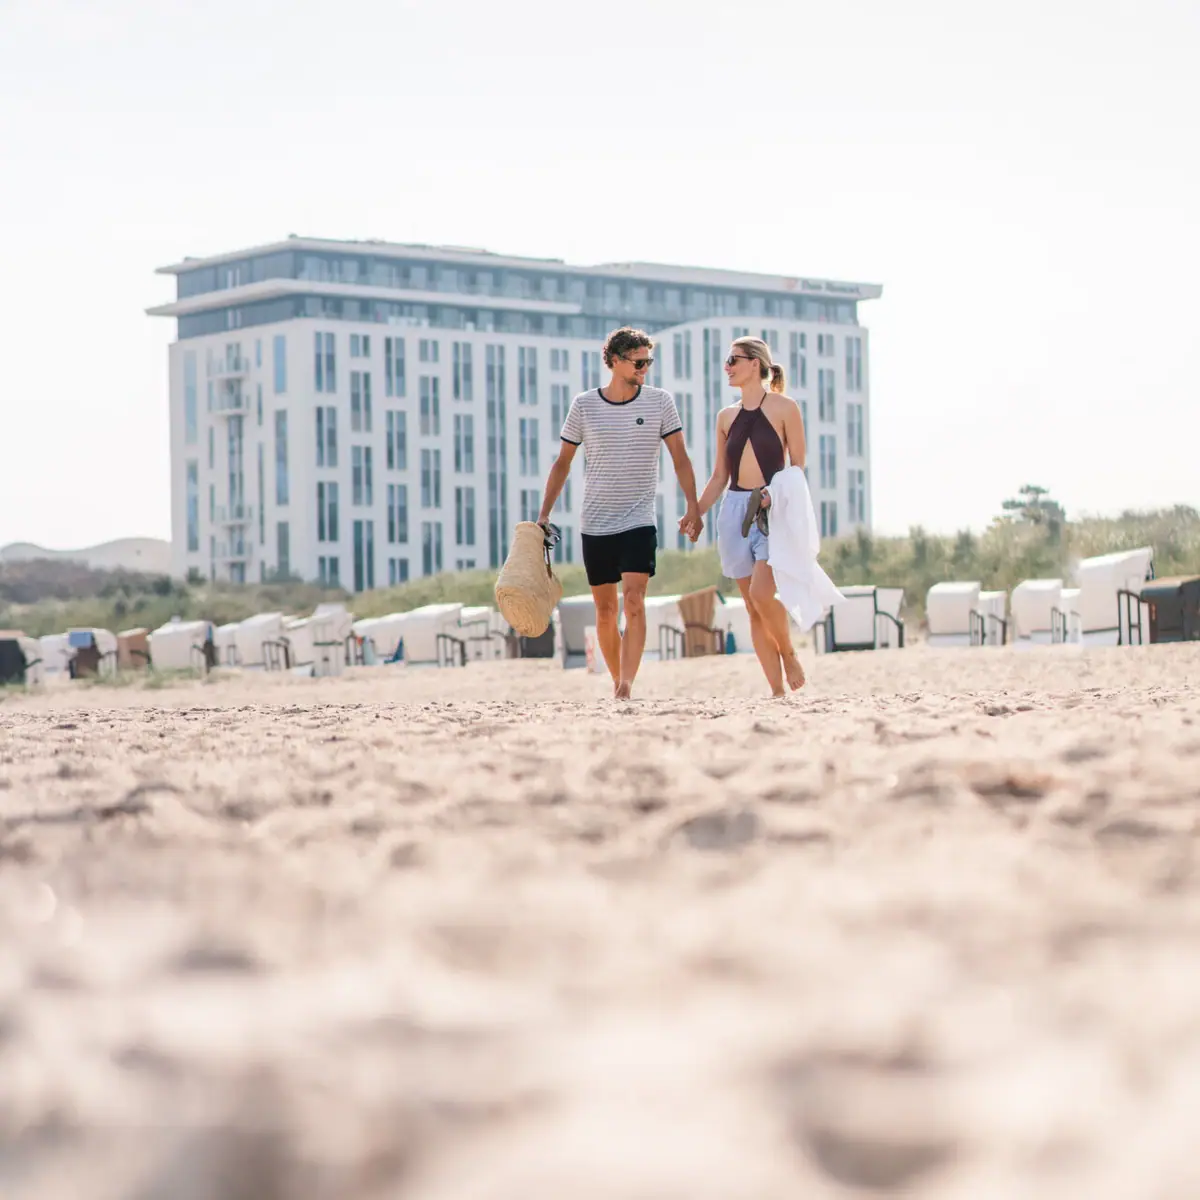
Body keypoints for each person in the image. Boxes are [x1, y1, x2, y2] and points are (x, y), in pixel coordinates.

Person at [538, 326, 701, 700]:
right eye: (638, 361)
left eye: (649, 361)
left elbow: (680, 458)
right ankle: (617, 680)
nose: (645, 368)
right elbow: (563, 462)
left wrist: (693, 506)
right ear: (613, 361)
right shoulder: (583, 405)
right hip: (594, 523)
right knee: (606, 610)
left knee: (634, 600)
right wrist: (543, 514)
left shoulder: (660, 402)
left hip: (638, 518)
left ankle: (627, 683)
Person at [694, 336, 808, 697]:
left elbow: (798, 466)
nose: (727, 367)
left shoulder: (785, 407)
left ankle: (789, 653)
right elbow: (719, 477)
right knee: (750, 607)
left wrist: (776, 494)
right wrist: (694, 512)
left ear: (755, 363)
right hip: (733, 511)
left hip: (771, 510)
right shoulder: (725, 417)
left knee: (762, 593)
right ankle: (776, 691)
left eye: (733, 360)